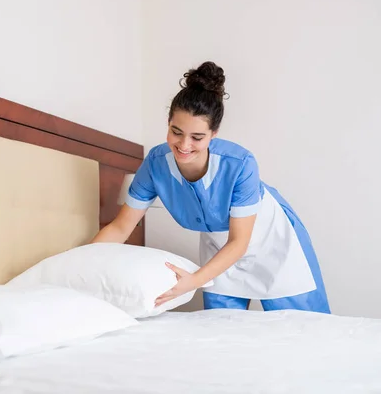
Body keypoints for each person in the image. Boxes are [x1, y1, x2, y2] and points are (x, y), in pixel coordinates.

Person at [91, 61, 330, 314]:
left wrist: (194, 281)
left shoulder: (239, 164)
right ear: (168, 122)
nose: (184, 145)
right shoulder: (155, 164)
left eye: (197, 137)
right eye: (176, 132)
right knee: (222, 327)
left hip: (271, 241)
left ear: (214, 134)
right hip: (220, 247)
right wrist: (79, 260)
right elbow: (121, 227)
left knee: (303, 327)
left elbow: (239, 241)